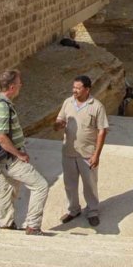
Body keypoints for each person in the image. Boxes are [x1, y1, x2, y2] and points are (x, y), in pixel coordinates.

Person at [0, 69, 51, 235]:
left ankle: (5, 225)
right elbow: (1, 138)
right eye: (18, 83)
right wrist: (19, 154)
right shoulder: (2, 107)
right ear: (11, 87)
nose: (21, 85)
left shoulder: (0, 103)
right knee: (40, 186)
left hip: (4, 158)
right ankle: (33, 226)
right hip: (11, 159)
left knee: (6, 191)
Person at [54, 75, 110, 227]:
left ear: (87, 89)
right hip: (69, 152)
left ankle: (92, 211)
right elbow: (58, 121)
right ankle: (73, 210)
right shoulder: (68, 102)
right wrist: (58, 125)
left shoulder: (96, 106)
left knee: (90, 185)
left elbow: (102, 131)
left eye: (78, 88)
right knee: (69, 184)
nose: (75, 91)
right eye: (73, 87)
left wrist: (96, 155)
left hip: (87, 153)